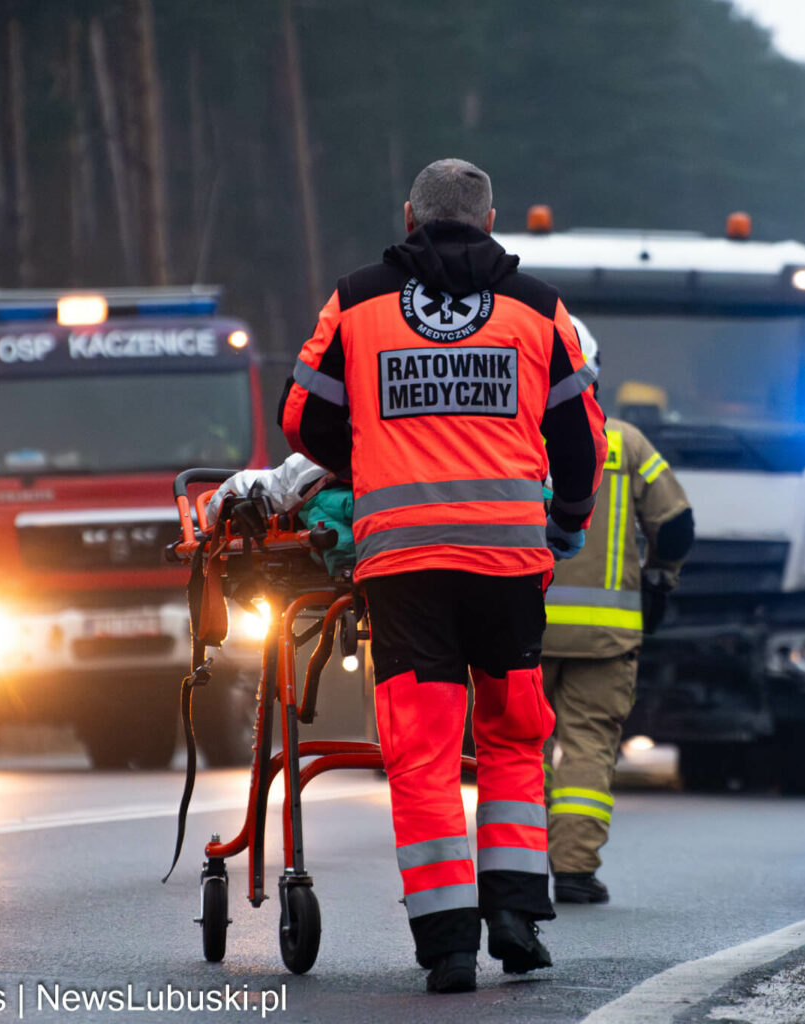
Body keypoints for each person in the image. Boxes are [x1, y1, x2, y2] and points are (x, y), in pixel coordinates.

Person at [278, 158, 607, 993]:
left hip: (404, 564)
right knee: (510, 735)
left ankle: (449, 946)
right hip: (508, 561)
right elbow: (580, 441)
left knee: (422, 753)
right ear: (491, 219)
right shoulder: (540, 309)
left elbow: (303, 417)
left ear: (409, 215)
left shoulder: (355, 301)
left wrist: (373, 456)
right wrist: (564, 525)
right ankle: (516, 918)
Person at [540, 317, 693, 904]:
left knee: (519, 749)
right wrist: (660, 580)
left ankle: (518, 866)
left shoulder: (508, 441)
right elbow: (676, 523)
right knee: (588, 747)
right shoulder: (624, 444)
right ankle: (575, 872)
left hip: (519, 626)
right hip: (606, 639)